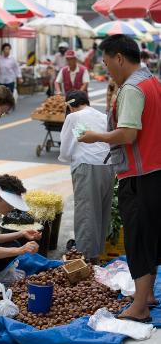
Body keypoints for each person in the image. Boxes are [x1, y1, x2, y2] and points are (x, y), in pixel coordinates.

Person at [79, 34, 161, 323]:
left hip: (138, 175)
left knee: (138, 239)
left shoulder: (132, 89)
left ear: (119, 58)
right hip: (155, 171)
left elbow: (127, 133)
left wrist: (95, 136)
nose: (106, 68)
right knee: (150, 237)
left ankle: (139, 307)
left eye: (105, 61)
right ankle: (146, 295)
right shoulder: (152, 81)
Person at [59, 90, 114, 264]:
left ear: (70, 105)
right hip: (108, 167)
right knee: (101, 213)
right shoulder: (102, 116)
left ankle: (87, 261)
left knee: (86, 213)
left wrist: (70, 158)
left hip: (87, 167)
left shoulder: (73, 117)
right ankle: (96, 257)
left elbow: (66, 149)